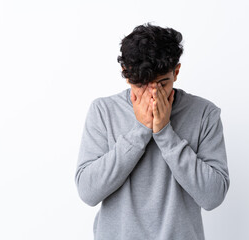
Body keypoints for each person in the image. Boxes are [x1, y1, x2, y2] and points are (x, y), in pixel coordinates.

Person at [74, 22, 230, 240]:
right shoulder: (103, 111)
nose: (152, 97)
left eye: (162, 84)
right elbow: (88, 192)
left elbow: (213, 197)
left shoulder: (204, 114)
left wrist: (165, 133)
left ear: (176, 72)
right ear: (126, 74)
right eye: (142, 86)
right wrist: (140, 130)